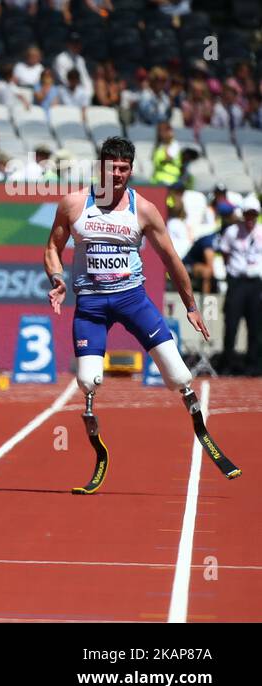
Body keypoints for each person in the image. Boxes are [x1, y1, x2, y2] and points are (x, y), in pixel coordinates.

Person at [44, 137, 241, 494]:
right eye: (110, 168)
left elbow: (171, 259)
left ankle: (198, 423)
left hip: (132, 300)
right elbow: (52, 248)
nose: (116, 175)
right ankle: (97, 445)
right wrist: (57, 279)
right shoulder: (74, 204)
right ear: (100, 168)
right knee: (88, 381)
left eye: (123, 169)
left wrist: (191, 305)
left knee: (178, 375)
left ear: (131, 170)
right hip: (90, 304)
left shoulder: (144, 209)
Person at [215, 196, 262, 375]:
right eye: (247, 215)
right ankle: (228, 363)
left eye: (253, 215)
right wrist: (233, 272)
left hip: (255, 283)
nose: (250, 219)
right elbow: (225, 254)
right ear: (243, 215)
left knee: (255, 325)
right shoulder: (232, 232)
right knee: (231, 323)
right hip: (237, 282)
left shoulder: (260, 232)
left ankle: (254, 365)